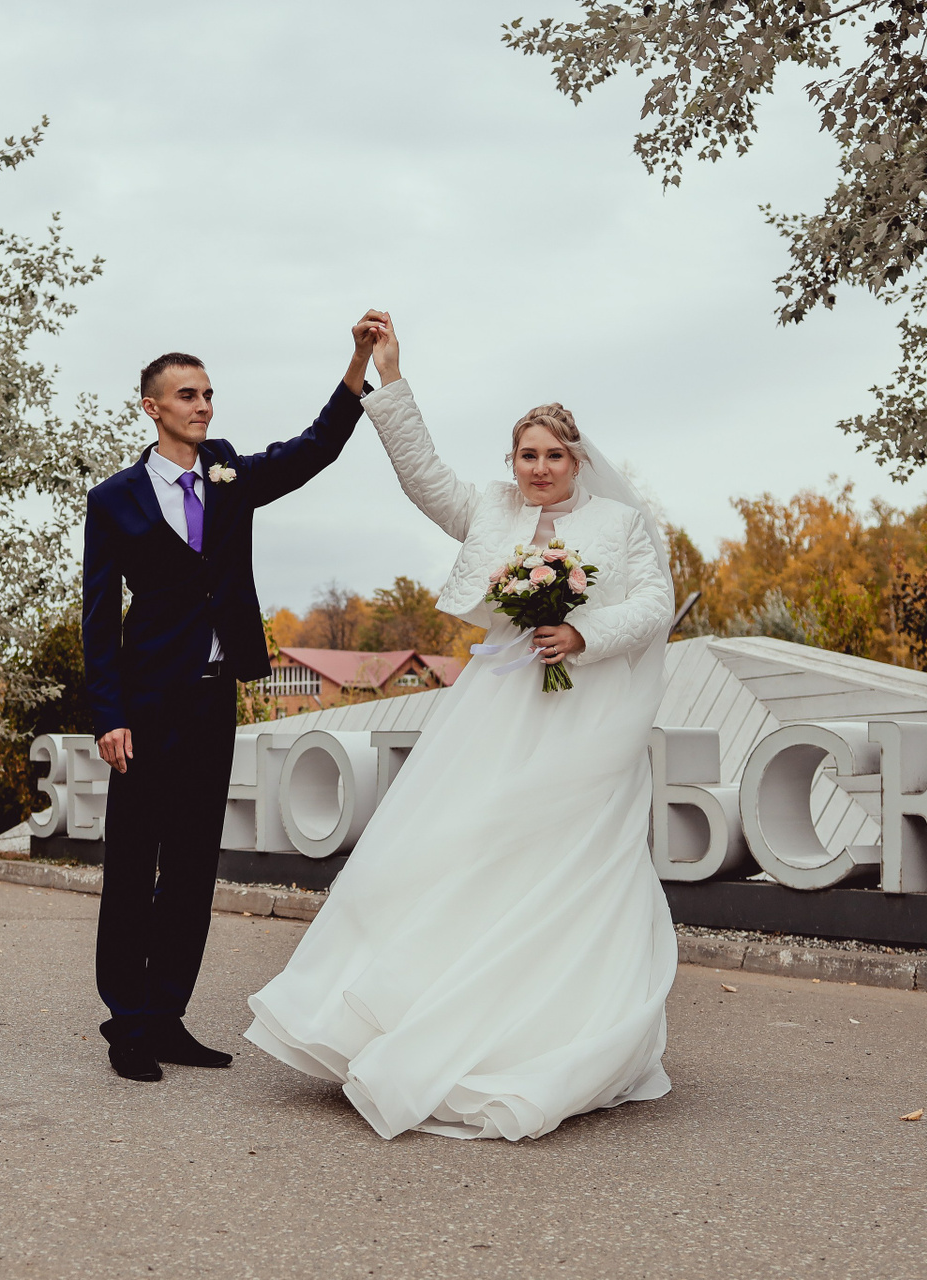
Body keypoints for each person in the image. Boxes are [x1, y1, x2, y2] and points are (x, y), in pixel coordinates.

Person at [245, 314, 678, 1140]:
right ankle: (416, 1015)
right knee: (463, 841)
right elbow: (421, 474)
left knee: (568, 857)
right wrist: (390, 375)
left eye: (553, 455)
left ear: (578, 461)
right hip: (497, 706)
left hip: (583, 717)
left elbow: (655, 603)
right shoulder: (488, 509)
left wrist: (583, 635)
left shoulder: (619, 526)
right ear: (511, 461)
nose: (539, 468)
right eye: (527, 455)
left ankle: (553, 1033)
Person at [82, 314, 384, 1082]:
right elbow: (97, 617)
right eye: (187, 395)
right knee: (133, 868)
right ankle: (126, 1024)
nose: (203, 406)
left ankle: (166, 1017)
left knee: (191, 868)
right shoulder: (113, 501)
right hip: (145, 707)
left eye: (209, 394)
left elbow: (314, 448)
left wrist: (357, 362)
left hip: (214, 702)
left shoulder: (227, 473)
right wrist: (109, 714)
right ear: (152, 406)